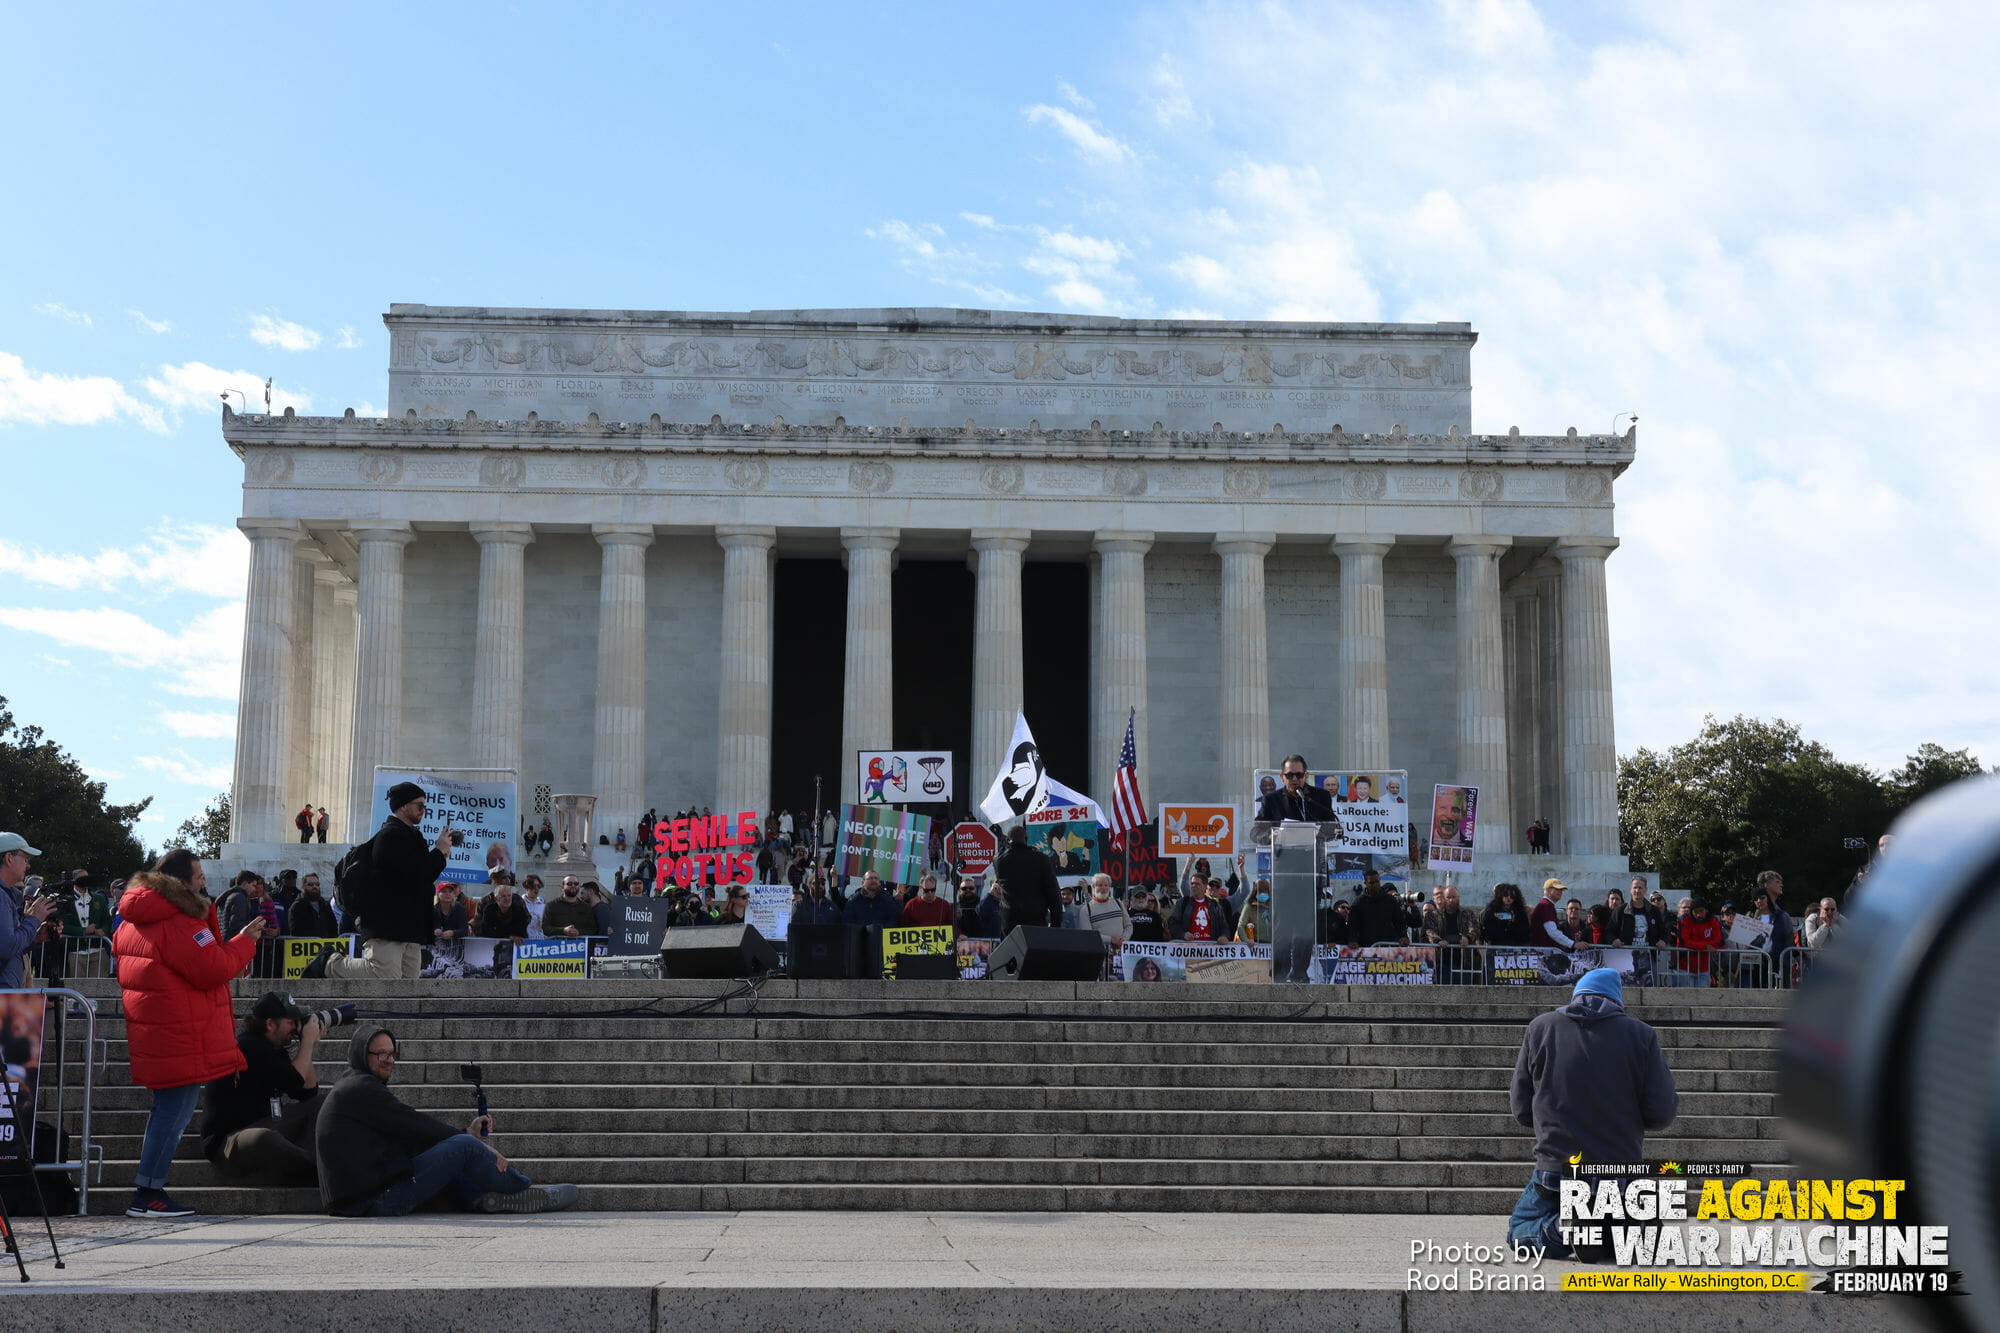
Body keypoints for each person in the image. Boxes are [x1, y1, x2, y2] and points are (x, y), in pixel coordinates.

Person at [114, 847, 265, 1217]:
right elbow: (212, 969)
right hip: (179, 1032)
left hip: (158, 1029)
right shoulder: (179, 920)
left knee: (166, 1110)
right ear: (181, 883)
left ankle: (148, 1191)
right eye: (199, 878)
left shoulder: (136, 917)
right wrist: (245, 942)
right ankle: (148, 1194)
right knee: (172, 1114)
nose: (204, 884)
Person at [315, 1025, 577, 1216]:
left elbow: (413, 1134)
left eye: (392, 1053)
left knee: (445, 1148)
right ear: (362, 1054)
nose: (389, 1060)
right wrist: (475, 1142)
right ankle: (526, 1191)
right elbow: (415, 1124)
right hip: (374, 1201)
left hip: (363, 1198)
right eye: (381, 1054)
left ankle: (479, 1199)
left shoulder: (352, 1087)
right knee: (462, 1146)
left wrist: (462, 1134)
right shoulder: (361, 1089)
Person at [1506, 968, 1677, 1258]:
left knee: (1519, 1231)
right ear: (1617, 1001)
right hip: (1620, 1174)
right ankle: (1626, 1232)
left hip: (1557, 1171)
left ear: (1577, 995)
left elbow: (1521, 1109)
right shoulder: (1641, 1035)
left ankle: (1566, 1227)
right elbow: (1661, 1113)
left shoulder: (1541, 1028)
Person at [307, 781, 452, 981]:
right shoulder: (390, 836)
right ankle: (330, 964)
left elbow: (421, 878)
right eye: (419, 805)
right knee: (382, 974)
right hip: (388, 923)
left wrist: (439, 854)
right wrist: (438, 852)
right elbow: (410, 875)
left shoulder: (411, 836)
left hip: (410, 924)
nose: (423, 810)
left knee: (409, 982)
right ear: (403, 806)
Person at [200, 990, 342, 1186]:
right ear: (270, 1023)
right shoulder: (249, 1046)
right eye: (290, 1022)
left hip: (264, 1124)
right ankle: (327, 1171)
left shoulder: (274, 1048)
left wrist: (307, 1044)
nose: (295, 1027)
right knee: (264, 1139)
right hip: (229, 1143)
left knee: (322, 1104)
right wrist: (307, 1043)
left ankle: (314, 1160)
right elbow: (294, 1079)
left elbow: (307, 1092)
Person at [990, 826, 1062, 934]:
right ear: (1026, 839)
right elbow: (1053, 893)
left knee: (1012, 951)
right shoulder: (1041, 859)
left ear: (1008, 840)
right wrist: (1055, 924)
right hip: (1035, 919)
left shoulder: (999, 860)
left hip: (1010, 920)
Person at [1256, 754, 1334, 823]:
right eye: (1289, 775)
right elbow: (1256, 832)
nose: (1294, 779)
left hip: (1313, 839)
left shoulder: (1322, 796)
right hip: (1282, 840)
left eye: (1299, 775)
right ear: (1282, 777)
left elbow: (1331, 827)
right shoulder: (1271, 799)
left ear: (1306, 776)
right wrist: (1271, 835)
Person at [1756, 870, 1797, 987]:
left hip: (1781, 966)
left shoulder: (1782, 914)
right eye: (1777, 882)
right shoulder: (1756, 912)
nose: (1781, 885)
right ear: (1766, 885)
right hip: (1761, 967)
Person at [1347, 869, 1406, 946]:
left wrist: (1403, 936)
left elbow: (1399, 921)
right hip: (1366, 947)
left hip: (1388, 946)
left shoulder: (1390, 900)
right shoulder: (1359, 902)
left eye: (1377, 881)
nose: (1375, 885)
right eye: (1371, 883)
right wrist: (1352, 940)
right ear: (1365, 883)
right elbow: (1352, 924)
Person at [1671, 899, 1722, 987]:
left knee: (1702, 998)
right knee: (1688, 997)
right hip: (1685, 967)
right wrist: (1706, 945)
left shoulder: (1714, 921)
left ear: (1706, 910)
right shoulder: (1684, 920)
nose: (1699, 915)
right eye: (1696, 912)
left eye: (1701, 911)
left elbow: (1718, 941)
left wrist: (1699, 945)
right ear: (1691, 911)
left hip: (1704, 968)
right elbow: (1685, 941)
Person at [1169, 875, 1235, 942]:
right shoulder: (1183, 903)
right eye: (1192, 883)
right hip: (1188, 948)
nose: (1194, 886)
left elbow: (1224, 927)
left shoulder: (1215, 905)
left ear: (1205, 886)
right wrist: (1183, 934)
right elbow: (1173, 924)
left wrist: (1224, 936)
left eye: (1197, 884)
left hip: (1210, 949)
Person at [1078, 874, 1131, 948]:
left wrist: (1124, 939)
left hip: (1121, 951)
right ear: (1093, 887)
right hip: (1100, 953)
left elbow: (1128, 925)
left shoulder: (1118, 903)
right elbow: (1088, 935)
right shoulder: (1086, 910)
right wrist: (1110, 940)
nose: (1103, 888)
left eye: (1106, 885)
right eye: (1100, 885)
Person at [1529, 878, 1575, 952]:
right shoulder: (1546, 905)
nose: (1560, 892)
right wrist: (1573, 944)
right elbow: (1552, 932)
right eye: (1557, 889)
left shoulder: (1546, 905)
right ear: (1547, 890)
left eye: (1561, 890)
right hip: (1545, 952)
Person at [432, 882, 470, 950]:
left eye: (450, 892)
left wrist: (453, 933)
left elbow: (464, 930)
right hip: (436, 947)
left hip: (456, 947)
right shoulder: (433, 909)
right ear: (438, 894)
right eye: (444, 892)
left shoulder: (460, 909)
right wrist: (435, 930)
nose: (447, 894)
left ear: (453, 894)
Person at [1234, 879, 1272, 943]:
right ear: (1255, 892)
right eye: (1260, 891)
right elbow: (1241, 926)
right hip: (1255, 945)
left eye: (1265, 891)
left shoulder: (1272, 907)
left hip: (1271, 945)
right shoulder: (1249, 906)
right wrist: (1246, 940)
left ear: (1268, 892)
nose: (1262, 894)